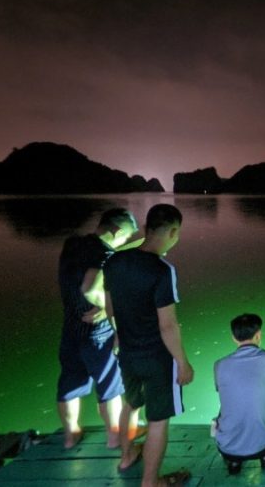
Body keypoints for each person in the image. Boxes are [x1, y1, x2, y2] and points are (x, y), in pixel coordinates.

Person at [104, 204, 194, 486]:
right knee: (158, 420)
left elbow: (110, 306)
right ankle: (150, 482)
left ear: (145, 229)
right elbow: (167, 325)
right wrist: (182, 362)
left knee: (130, 403)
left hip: (127, 352)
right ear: (173, 232)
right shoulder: (162, 271)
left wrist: (120, 333)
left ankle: (127, 456)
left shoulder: (114, 262)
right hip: (156, 358)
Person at [56, 207, 139, 449]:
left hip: (71, 327)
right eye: (125, 236)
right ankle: (114, 437)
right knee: (109, 385)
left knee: (70, 382)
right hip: (97, 332)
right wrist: (107, 309)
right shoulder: (105, 254)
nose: (124, 241)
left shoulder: (72, 244)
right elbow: (90, 288)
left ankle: (71, 436)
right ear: (115, 229)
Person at [213, 313, 265, 474]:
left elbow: (220, 388)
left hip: (227, 448)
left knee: (229, 397)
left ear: (233, 337)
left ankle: (234, 463)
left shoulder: (219, 365)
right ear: (258, 335)